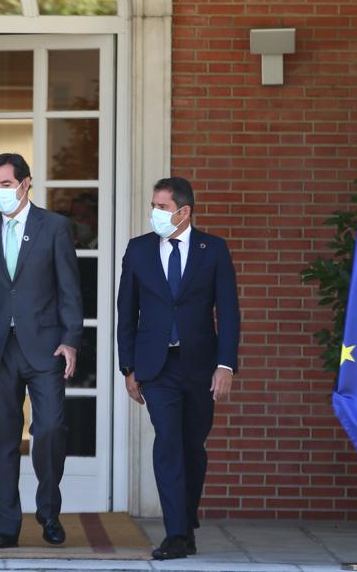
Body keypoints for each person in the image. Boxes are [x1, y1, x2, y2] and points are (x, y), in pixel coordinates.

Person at [115, 177, 240, 560]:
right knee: (167, 442)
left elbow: (229, 312)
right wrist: (128, 367)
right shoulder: (138, 251)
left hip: (200, 365)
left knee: (192, 447)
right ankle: (174, 534)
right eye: (154, 206)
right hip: (157, 367)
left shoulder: (213, 250)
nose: (155, 213)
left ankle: (186, 523)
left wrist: (226, 365)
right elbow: (126, 312)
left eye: (163, 207)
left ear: (184, 212)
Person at [0, 153, 81, 549]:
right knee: (1, 438)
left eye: (5, 184)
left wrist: (70, 340)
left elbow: (69, 289)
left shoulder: (54, 227)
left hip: (46, 348)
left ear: (26, 182)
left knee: (50, 429)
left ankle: (48, 513)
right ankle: (3, 525)